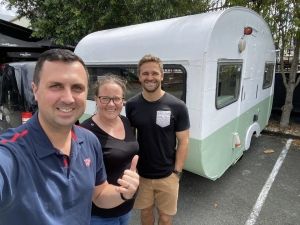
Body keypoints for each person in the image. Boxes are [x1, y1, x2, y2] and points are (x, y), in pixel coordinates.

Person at [0, 49, 139, 225]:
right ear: (35, 90)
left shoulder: (89, 141)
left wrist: (123, 192)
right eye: (55, 86)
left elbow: (99, 194)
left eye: (77, 88)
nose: (68, 98)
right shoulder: (11, 153)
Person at [125, 54, 190, 225]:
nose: (150, 77)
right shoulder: (132, 105)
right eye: (145, 73)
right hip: (142, 175)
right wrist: (132, 169)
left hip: (168, 175)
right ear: (139, 77)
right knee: (145, 213)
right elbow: (130, 139)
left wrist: (177, 172)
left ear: (162, 75)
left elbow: (184, 141)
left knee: (166, 218)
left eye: (154, 73)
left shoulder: (177, 106)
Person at [81, 74, 139, 225]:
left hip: (126, 206)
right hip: (100, 215)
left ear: (123, 100)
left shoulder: (125, 121)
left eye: (116, 99)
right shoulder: (86, 132)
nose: (111, 104)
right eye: (105, 98)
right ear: (96, 99)